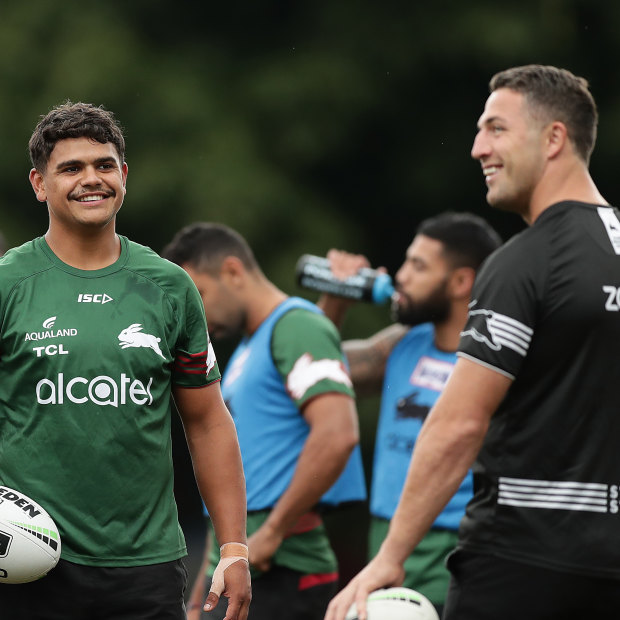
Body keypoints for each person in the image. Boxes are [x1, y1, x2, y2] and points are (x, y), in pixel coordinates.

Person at [325, 64, 620, 620]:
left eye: (496, 129)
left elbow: (459, 423)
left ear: (554, 138)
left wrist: (391, 556)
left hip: (523, 559)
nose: (477, 148)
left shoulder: (525, 263)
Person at [0, 102, 250, 620]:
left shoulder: (169, 286)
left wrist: (234, 548)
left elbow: (206, 420)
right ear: (39, 183)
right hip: (29, 563)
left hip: (146, 568)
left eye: (104, 165)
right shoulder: (8, 283)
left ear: (124, 176)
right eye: (71, 168)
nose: (91, 180)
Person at [162, 223, 367, 620]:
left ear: (234, 272)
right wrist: (196, 597)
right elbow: (228, 484)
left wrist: (272, 532)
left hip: (283, 570)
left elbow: (337, 434)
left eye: (198, 294)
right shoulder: (247, 350)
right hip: (237, 567)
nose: (194, 312)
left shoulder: (295, 324)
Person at [317, 212, 501, 616]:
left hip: (460, 553)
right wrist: (335, 298)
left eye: (418, 266)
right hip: (386, 548)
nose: (400, 276)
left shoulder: (497, 364)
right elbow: (310, 374)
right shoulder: (401, 345)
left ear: (460, 282)